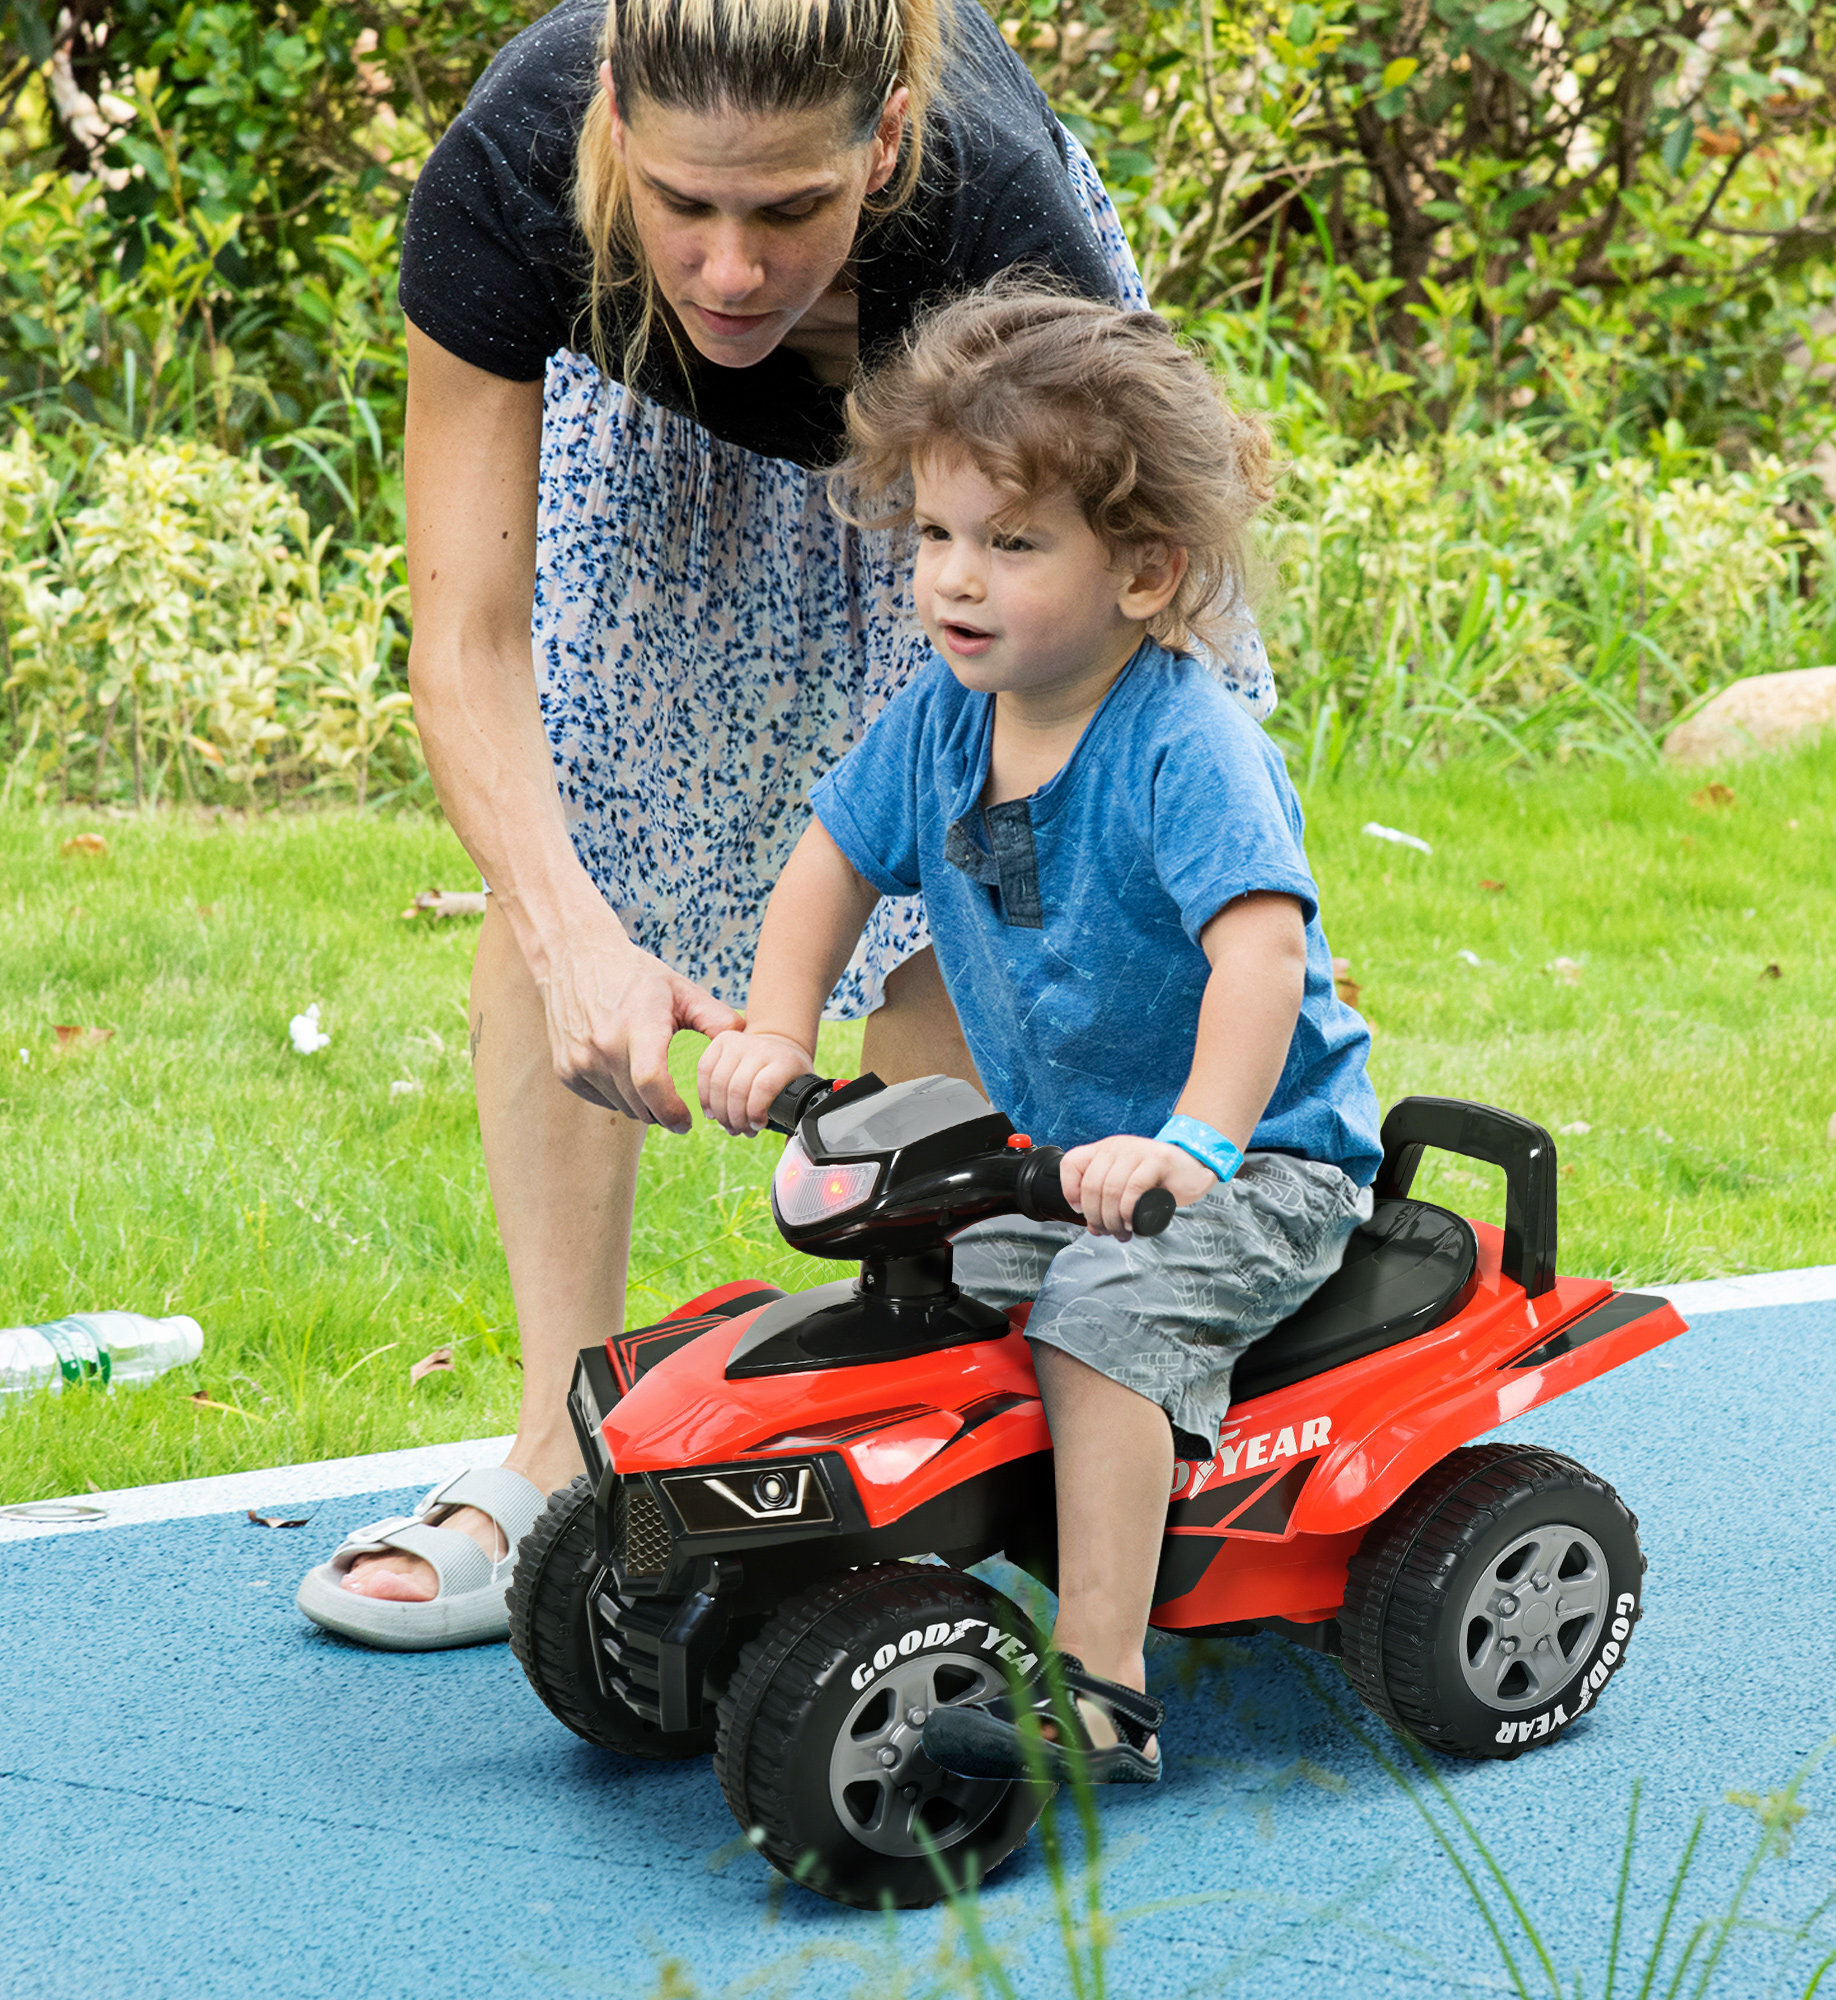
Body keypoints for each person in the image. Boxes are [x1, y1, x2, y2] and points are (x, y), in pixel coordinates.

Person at [296, 0, 1273, 1650]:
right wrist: (575, 938)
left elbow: (1082, 694)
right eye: (684, 202)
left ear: (883, 143)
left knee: (1001, 869)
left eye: (788, 210)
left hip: (998, 465)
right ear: (610, 118)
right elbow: (468, 644)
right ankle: (558, 1452)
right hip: (661, 435)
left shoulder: (992, 217)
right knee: (575, 849)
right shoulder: (517, 172)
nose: (732, 268)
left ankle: (949, 1421)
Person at [696, 288, 1381, 1781]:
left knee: (1097, 1321)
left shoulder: (1186, 746)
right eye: (937, 535)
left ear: (1145, 572)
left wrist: (1199, 1142)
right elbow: (827, 863)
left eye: (1012, 544)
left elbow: (1259, 957)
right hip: (1062, 1153)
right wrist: (772, 1024)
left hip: (1258, 1157)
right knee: (914, 1293)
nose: (958, 577)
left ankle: (1107, 1680)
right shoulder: (943, 721)